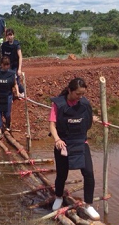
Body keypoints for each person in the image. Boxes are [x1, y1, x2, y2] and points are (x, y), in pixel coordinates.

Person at [49, 77, 100, 220]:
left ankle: (88, 205)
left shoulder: (84, 104)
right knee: (62, 174)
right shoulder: (58, 105)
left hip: (80, 143)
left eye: (82, 94)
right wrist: (57, 139)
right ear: (70, 91)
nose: (80, 97)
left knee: (89, 173)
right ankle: (58, 197)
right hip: (64, 144)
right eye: (78, 93)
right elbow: (52, 125)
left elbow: (87, 121)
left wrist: (93, 119)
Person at [0, 56, 21, 142]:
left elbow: (15, 84)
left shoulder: (11, 73)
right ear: (1, 65)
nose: (7, 67)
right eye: (5, 65)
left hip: (8, 95)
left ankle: (7, 125)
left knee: (7, 114)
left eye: (8, 65)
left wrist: (17, 92)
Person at [1, 28, 25, 99]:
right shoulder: (4, 45)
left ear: (13, 35)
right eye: (8, 35)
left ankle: (22, 92)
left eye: (11, 35)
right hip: (7, 66)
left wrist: (19, 69)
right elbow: (3, 57)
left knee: (16, 80)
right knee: (7, 81)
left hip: (15, 65)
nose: (9, 37)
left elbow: (20, 57)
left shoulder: (16, 44)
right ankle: (10, 95)